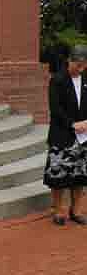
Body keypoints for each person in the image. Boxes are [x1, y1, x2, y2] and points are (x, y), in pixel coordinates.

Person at [44, 44, 87, 225]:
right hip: (62, 134)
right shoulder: (57, 79)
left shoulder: (86, 79)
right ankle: (58, 210)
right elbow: (55, 108)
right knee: (58, 176)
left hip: (84, 135)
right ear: (69, 61)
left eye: (84, 65)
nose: (81, 68)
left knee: (80, 175)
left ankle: (76, 210)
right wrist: (72, 124)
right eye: (78, 64)